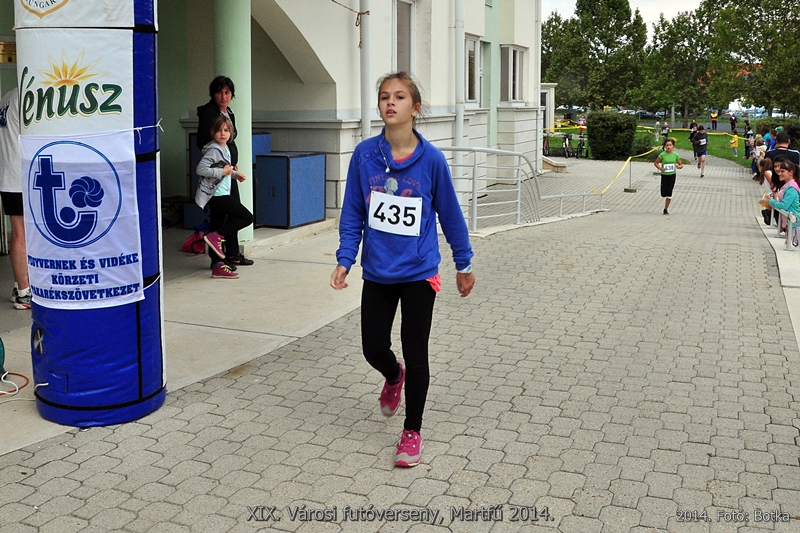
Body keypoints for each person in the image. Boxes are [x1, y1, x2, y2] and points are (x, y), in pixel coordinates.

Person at [331, 72, 475, 468]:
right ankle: (394, 375)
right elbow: (353, 213)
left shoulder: (431, 161)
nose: (390, 103)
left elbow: (450, 214)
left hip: (419, 272)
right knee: (373, 347)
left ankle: (412, 430)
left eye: (399, 97)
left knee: (416, 350)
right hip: (378, 271)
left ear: (415, 108)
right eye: (384, 97)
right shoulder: (364, 156)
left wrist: (463, 263)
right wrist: (345, 258)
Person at [196, 76, 254, 269]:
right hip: (218, 174)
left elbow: (230, 142)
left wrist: (232, 165)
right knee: (221, 216)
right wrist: (221, 164)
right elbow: (203, 143)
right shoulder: (209, 113)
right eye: (219, 92)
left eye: (227, 92)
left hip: (229, 171)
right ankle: (217, 260)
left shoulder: (229, 112)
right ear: (213, 94)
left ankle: (232, 253)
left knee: (230, 213)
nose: (223, 96)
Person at [0, 88, 30, 310]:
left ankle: (19, 286)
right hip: (20, 175)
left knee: (21, 232)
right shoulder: (26, 96)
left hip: (10, 174)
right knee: (21, 234)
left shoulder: (8, 97)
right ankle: (23, 292)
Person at [654, 138, 683, 215]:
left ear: (673, 146)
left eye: (670, 145)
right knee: (663, 193)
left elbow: (681, 164)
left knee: (669, 192)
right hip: (664, 175)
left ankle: (666, 209)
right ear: (665, 146)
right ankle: (664, 194)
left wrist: (679, 166)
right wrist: (661, 168)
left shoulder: (676, 155)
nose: (669, 147)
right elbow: (656, 163)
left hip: (672, 175)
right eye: (667, 145)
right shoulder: (662, 155)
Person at [757, 158, 774, 224]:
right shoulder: (766, 173)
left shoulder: (767, 173)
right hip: (769, 192)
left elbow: (772, 183)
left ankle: (767, 214)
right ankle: (768, 214)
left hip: (771, 193)